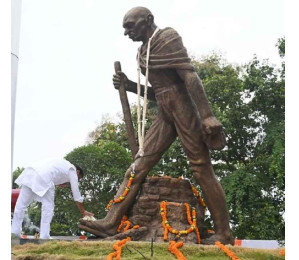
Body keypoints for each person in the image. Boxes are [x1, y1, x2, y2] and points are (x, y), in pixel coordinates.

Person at [78, 6, 233, 244]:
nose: (126, 32)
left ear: (148, 20)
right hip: (165, 111)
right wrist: (129, 85)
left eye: (130, 26)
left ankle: (224, 232)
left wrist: (207, 115)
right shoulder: (143, 51)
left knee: (201, 167)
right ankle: (111, 222)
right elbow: (158, 92)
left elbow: (190, 76)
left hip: (183, 108)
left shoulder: (167, 38)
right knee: (138, 166)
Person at [11, 158, 94, 239]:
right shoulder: (72, 170)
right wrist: (83, 211)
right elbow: (76, 195)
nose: (76, 180)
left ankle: (15, 232)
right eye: (78, 179)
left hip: (30, 173)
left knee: (21, 205)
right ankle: (44, 235)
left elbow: (54, 172)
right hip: (44, 176)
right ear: (78, 172)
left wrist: (59, 183)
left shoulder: (63, 164)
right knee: (48, 206)